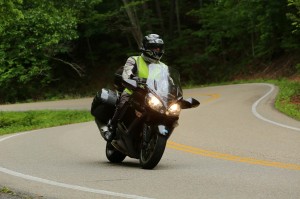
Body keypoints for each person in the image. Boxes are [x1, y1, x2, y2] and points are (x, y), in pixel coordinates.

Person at [103, 33, 165, 141]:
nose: (157, 50)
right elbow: (126, 73)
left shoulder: (163, 66)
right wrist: (131, 78)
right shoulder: (134, 60)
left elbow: (170, 81)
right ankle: (111, 128)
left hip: (153, 95)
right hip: (134, 91)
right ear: (146, 48)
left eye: (159, 48)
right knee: (123, 103)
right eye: (154, 48)